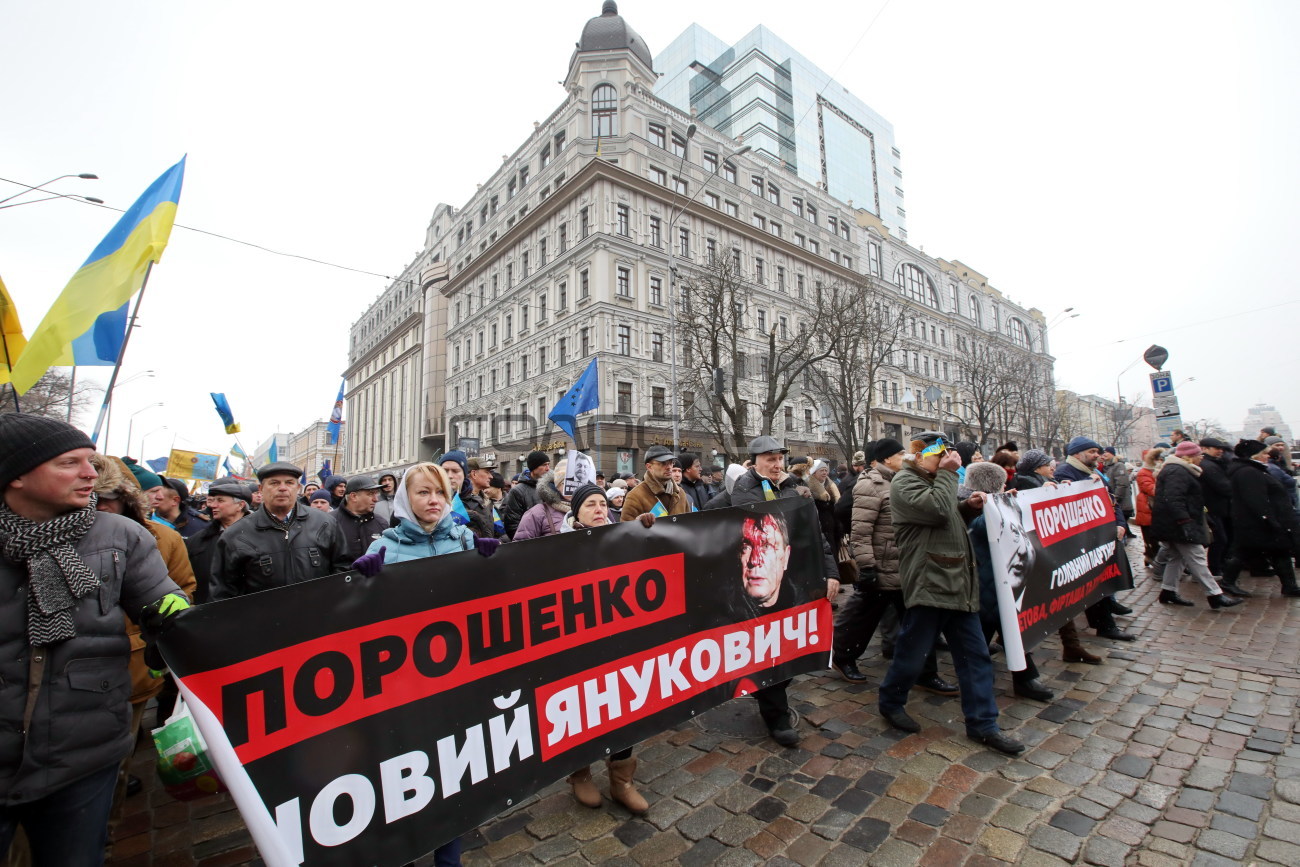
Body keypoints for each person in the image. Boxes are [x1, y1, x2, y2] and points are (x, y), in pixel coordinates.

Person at [0, 416, 183, 865]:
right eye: (70, 463)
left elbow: (169, 608)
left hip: (85, 754)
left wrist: (186, 624)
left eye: (90, 462)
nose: (90, 474)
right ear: (16, 475)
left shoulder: (121, 536)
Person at [347, 462, 497, 867]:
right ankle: (403, 849)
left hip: (458, 673)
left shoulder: (465, 536)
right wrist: (360, 582)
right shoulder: (385, 547)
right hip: (407, 681)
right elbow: (357, 620)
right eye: (423, 493)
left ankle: (449, 854)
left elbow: (486, 602)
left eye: (439, 493)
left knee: (453, 765)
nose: (433, 501)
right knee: (408, 766)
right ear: (405, 499)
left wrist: (492, 565)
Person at [876, 431, 1024, 754]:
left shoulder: (935, 480)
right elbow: (936, 511)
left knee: (975, 658)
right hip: (930, 582)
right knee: (913, 655)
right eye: (939, 454)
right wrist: (946, 475)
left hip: (957, 583)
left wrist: (968, 507)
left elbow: (949, 515)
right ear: (921, 455)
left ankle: (983, 724)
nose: (946, 460)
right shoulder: (904, 482)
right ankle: (891, 701)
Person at [727, 436, 840, 747]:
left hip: (793, 582)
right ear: (755, 461)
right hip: (757, 584)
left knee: (790, 649)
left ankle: (767, 690)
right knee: (768, 653)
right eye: (769, 460)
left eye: (779, 459)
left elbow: (814, 533)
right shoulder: (743, 489)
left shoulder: (792, 487)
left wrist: (830, 571)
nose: (776, 465)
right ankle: (775, 715)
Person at [832, 438, 958, 696]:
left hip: (908, 564)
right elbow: (860, 530)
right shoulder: (871, 483)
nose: (906, 456)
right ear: (887, 459)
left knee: (917, 621)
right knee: (863, 616)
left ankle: (926, 673)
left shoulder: (907, 478)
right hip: (881, 565)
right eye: (901, 453)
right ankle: (843, 657)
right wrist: (866, 565)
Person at [559, 484, 657, 813]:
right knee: (583, 709)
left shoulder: (622, 536)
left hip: (620, 643)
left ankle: (622, 781)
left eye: (603, 503)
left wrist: (645, 530)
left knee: (624, 706)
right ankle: (581, 772)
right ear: (576, 511)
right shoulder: (557, 546)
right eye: (591, 504)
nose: (600, 509)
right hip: (579, 647)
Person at [963, 461, 1054, 701]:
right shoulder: (975, 509)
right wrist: (1004, 506)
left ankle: (1023, 678)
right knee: (980, 639)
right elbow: (985, 527)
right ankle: (984, 687)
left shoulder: (993, 505)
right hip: (984, 585)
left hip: (999, 584)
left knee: (1008, 634)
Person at [1008, 448, 1101, 665]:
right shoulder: (1026, 483)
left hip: (1044, 552)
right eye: (1048, 463)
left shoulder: (1041, 482)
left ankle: (1071, 646)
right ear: (1036, 467)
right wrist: (1046, 490)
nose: (1053, 466)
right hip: (1032, 554)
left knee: (1059, 597)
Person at [208, 462, 351, 600]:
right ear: (261, 488)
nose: (282, 488)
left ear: (298, 488)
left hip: (319, 618)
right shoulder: (236, 535)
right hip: (261, 621)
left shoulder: (325, 523)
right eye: (274, 483)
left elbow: (343, 570)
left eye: (289, 483)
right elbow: (223, 592)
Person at [1054, 437, 1136, 640]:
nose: (1096, 455)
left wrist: (1120, 524)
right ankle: (1104, 624)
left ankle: (1107, 611)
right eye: (1091, 451)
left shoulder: (1094, 472)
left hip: (1101, 532)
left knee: (1101, 578)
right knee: (1092, 582)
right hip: (1085, 537)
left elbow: (1111, 501)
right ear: (1077, 454)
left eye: (1097, 452)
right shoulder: (1066, 472)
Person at [1149, 442, 1242, 608]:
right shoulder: (1177, 471)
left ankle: (1168, 591)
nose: (1202, 458)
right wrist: (1185, 521)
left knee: (1177, 558)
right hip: (1179, 524)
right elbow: (1174, 499)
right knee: (1196, 557)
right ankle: (1215, 594)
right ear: (1189, 456)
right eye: (1199, 455)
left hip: (1174, 523)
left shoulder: (1177, 470)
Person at [1220, 439, 1300, 597]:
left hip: (1259, 521)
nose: (1267, 456)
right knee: (1245, 552)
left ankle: (1290, 586)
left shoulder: (1252, 469)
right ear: (1253, 456)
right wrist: (1269, 519)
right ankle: (1227, 582)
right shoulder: (1248, 472)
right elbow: (1256, 499)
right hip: (1257, 522)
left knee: (1279, 551)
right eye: (1264, 453)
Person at [185, 477, 251, 603]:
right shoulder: (197, 540)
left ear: (240, 505)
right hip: (206, 612)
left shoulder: (262, 537)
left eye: (220, 500)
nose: (213, 505)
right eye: (213, 500)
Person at [1197, 438, 1239, 590]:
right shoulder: (1209, 466)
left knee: (1221, 539)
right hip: (1213, 508)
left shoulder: (1214, 464)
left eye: (1221, 448)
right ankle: (1216, 568)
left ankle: (1218, 567)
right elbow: (1224, 486)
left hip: (1218, 507)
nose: (1220, 450)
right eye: (1216, 448)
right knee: (1219, 539)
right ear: (1205, 449)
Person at [620, 446, 690, 521]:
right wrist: (638, 524)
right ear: (649, 467)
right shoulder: (635, 496)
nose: (669, 467)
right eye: (663, 463)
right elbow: (626, 529)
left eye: (671, 462)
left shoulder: (680, 493)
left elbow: (689, 524)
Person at [333, 475, 387, 561]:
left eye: (376, 493)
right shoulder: (331, 522)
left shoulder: (381, 523)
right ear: (353, 496)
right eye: (370, 494)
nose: (376, 499)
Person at [512, 462, 571, 540]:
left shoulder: (587, 508)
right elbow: (520, 547)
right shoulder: (537, 513)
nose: (572, 487)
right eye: (566, 482)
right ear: (557, 485)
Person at [501, 451, 549, 538]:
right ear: (533, 468)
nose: (548, 468)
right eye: (544, 465)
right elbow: (512, 525)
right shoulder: (517, 491)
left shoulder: (551, 487)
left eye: (548, 464)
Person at [1133, 448, 1165, 569]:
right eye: (1158, 459)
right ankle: (1151, 557)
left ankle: (1153, 557)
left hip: (1155, 508)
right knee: (1150, 537)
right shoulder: (1143, 472)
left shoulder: (1157, 471)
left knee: (1157, 536)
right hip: (1147, 507)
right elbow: (1151, 489)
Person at [465, 457, 502, 538]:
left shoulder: (487, 501)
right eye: (487, 472)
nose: (491, 476)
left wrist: (499, 541)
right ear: (474, 474)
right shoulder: (459, 503)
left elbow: (500, 530)